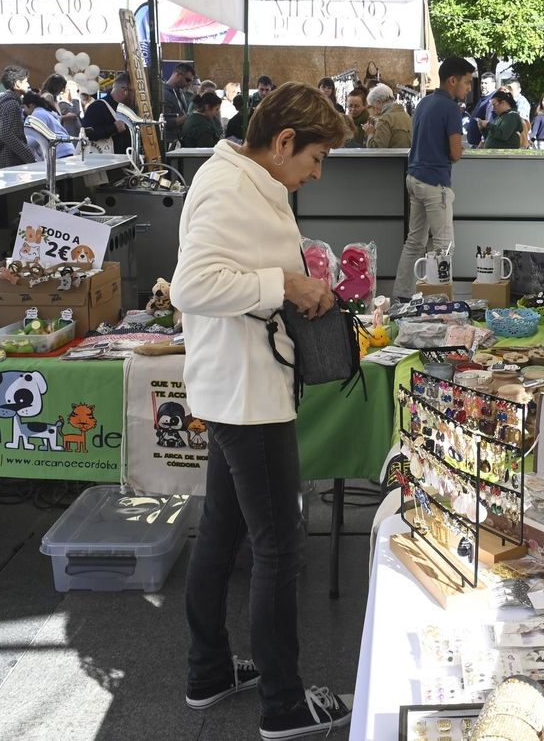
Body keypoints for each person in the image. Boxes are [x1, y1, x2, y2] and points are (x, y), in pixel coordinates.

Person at [171, 83, 353, 740]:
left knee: (223, 531)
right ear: (282, 144)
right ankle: (282, 703)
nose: (317, 171)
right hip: (245, 395)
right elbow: (193, 284)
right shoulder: (227, 186)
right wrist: (286, 284)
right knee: (279, 545)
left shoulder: (240, 181)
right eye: (316, 156)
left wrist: (287, 284)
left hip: (237, 388)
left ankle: (210, 670)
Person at [394, 57, 474, 298]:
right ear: (453, 80)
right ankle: (439, 301)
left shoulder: (424, 102)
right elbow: (455, 153)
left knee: (414, 242)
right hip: (435, 183)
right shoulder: (450, 108)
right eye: (467, 82)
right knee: (444, 245)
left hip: (414, 178)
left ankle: (402, 295)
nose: (469, 88)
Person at [0, 64, 37, 169]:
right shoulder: (11, 103)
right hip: (9, 160)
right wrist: (28, 155)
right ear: (17, 84)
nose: (28, 84)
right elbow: (5, 134)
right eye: (25, 81)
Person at [83, 81, 132, 155]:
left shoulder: (127, 107)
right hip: (108, 162)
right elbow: (86, 133)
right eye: (132, 91)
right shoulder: (98, 106)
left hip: (125, 159)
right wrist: (113, 128)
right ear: (124, 90)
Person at [21, 91, 74, 160]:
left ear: (30, 105)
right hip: (67, 148)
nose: (24, 111)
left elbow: (33, 139)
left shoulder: (37, 115)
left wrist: (22, 144)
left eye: (24, 107)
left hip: (57, 152)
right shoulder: (47, 112)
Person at [364, 84, 412, 149]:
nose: (374, 111)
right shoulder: (405, 115)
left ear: (378, 102)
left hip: (392, 158)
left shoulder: (385, 119)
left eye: (372, 106)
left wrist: (370, 133)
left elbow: (376, 149)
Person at [163, 62, 197, 145]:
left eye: (191, 81)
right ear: (177, 75)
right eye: (187, 80)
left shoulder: (180, 92)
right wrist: (189, 116)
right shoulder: (164, 94)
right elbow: (166, 122)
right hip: (169, 141)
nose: (189, 83)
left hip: (179, 140)